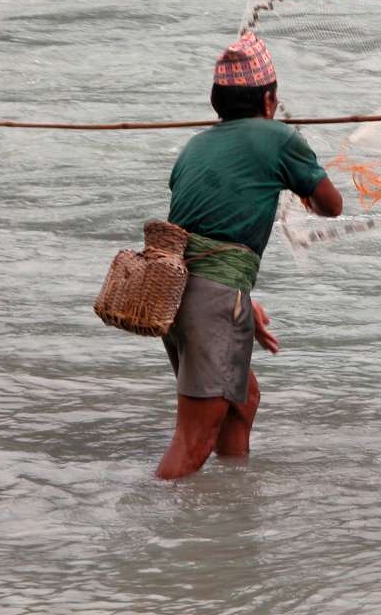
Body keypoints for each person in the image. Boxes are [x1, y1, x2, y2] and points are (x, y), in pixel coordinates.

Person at [156, 31, 342, 479]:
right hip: (212, 297)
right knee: (194, 437)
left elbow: (197, 233)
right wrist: (300, 177)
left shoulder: (195, 147)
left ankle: (229, 506)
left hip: (179, 295)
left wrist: (240, 301)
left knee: (242, 401)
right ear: (268, 99)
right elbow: (331, 206)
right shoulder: (279, 138)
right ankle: (155, 528)